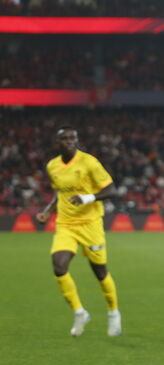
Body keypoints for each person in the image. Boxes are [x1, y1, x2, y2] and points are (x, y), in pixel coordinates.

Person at [36, 126, 121, 337]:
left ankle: (113, 313)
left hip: (90, 224)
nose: (70, 141)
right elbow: (60, 193)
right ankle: (80, 312)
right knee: (59, 266)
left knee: (100, 272)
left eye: (72, 138)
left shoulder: (89, 162)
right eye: (64, 139)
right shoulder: (52, 166)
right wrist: (47, 211)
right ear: (57, 143)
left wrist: (88, 197)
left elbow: (112, 190)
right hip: (65, 224)